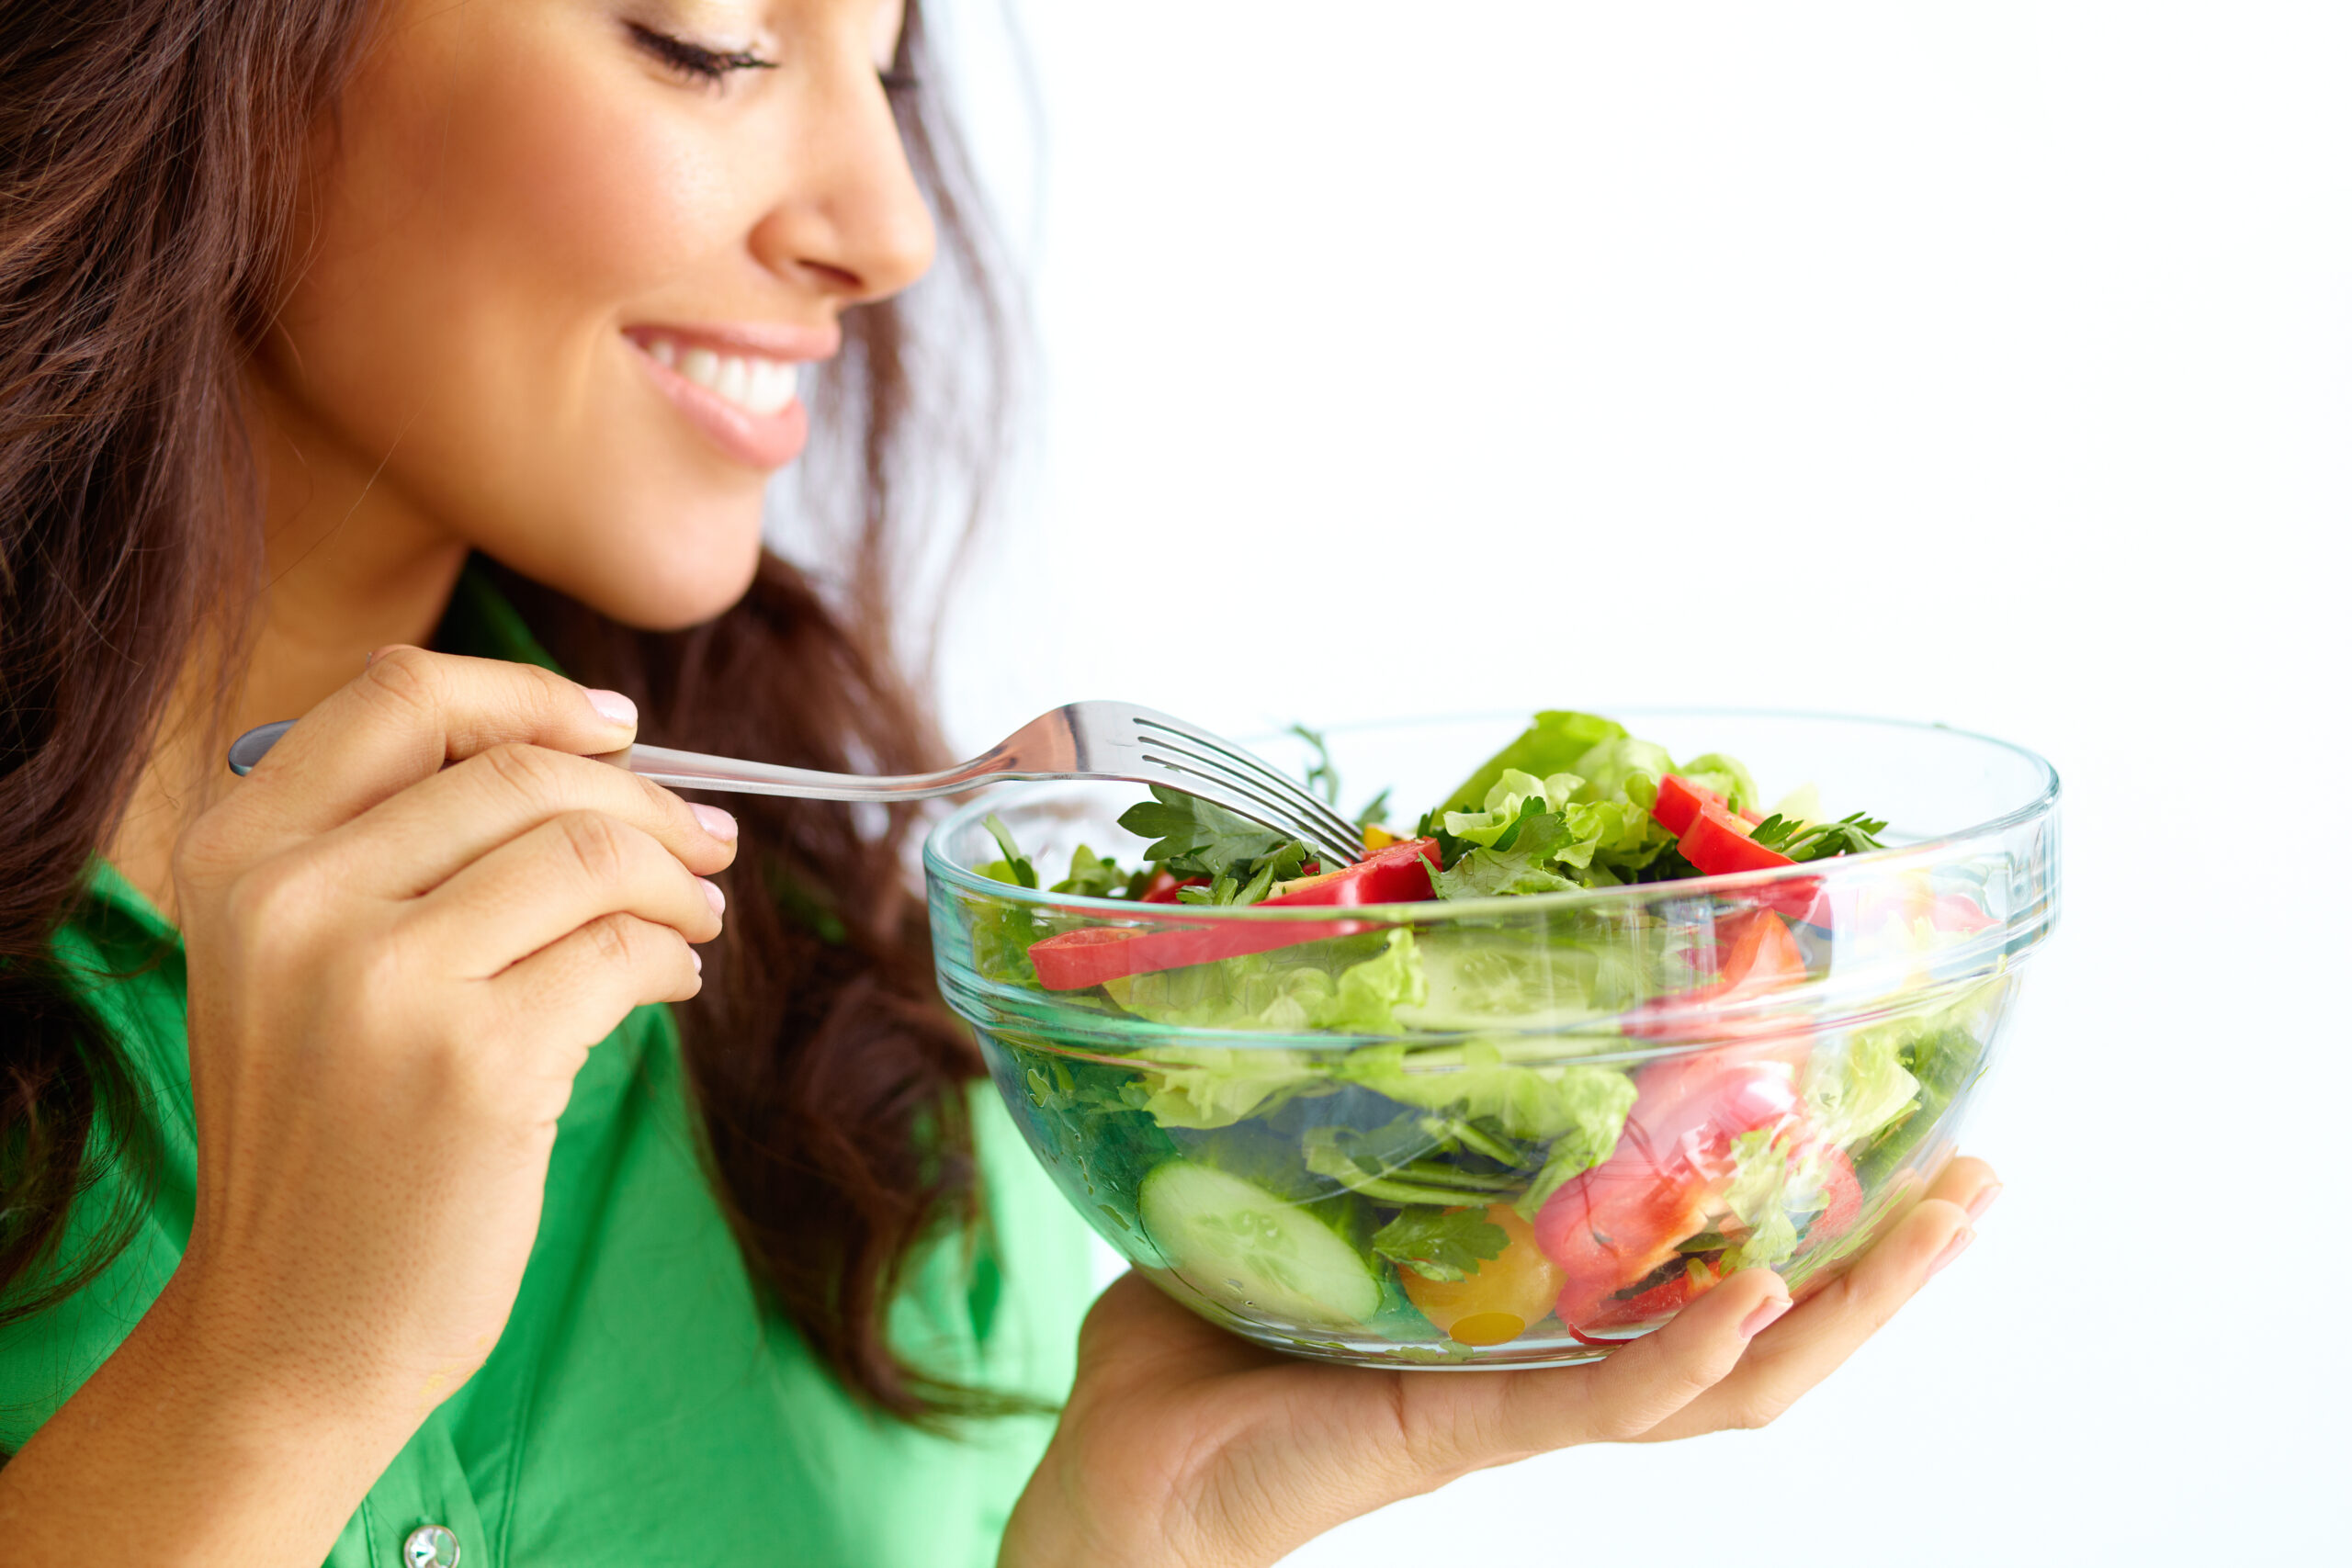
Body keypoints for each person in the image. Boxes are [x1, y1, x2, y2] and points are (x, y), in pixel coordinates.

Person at [0, 3, 2000, 1563]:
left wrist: (1126, 1544)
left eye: (886, 68)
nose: (883, 229)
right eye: (710, 43)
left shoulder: (872, 1049)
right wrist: (268, 1381)